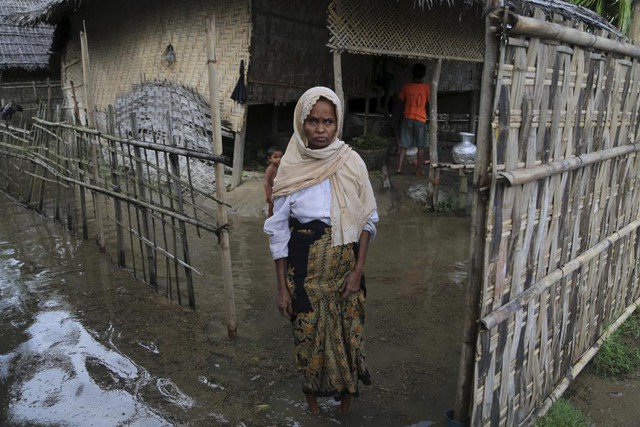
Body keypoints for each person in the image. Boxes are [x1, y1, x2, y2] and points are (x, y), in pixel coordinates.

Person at [263, 86, 378, 416]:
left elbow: (368, 220)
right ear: (301, 121)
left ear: (337, 123)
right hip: (305, 272)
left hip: (346, 268)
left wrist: (357, 272)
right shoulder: (290, 166)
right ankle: (313, 409)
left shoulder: (351, 161)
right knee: (307, 339)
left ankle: (344, 409)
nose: (320, 129)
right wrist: (282, 288)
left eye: (327, 122)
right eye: (312, 121)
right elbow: (278, 230)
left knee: (348, 336)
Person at [396, 63, 431, 176]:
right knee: (421, 146)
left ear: (412, 74)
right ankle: (418, 170)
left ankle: (399, 167)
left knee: (404, 144)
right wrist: (428, 116)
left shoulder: (407, 87)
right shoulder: (426, 87)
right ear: (424, 74)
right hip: (421, 118)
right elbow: (429, 104)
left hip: (408, 117)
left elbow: (400, 101)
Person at [263, 146, 284, 217]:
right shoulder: (270, 169)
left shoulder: (282, 167)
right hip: (272, 192)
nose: (279, 159)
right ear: (269, 159)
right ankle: (269, 223)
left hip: (281, 191)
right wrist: (268, 195)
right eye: (275, 157)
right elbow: (266, 182)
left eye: (280, 157)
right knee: (271, 207)